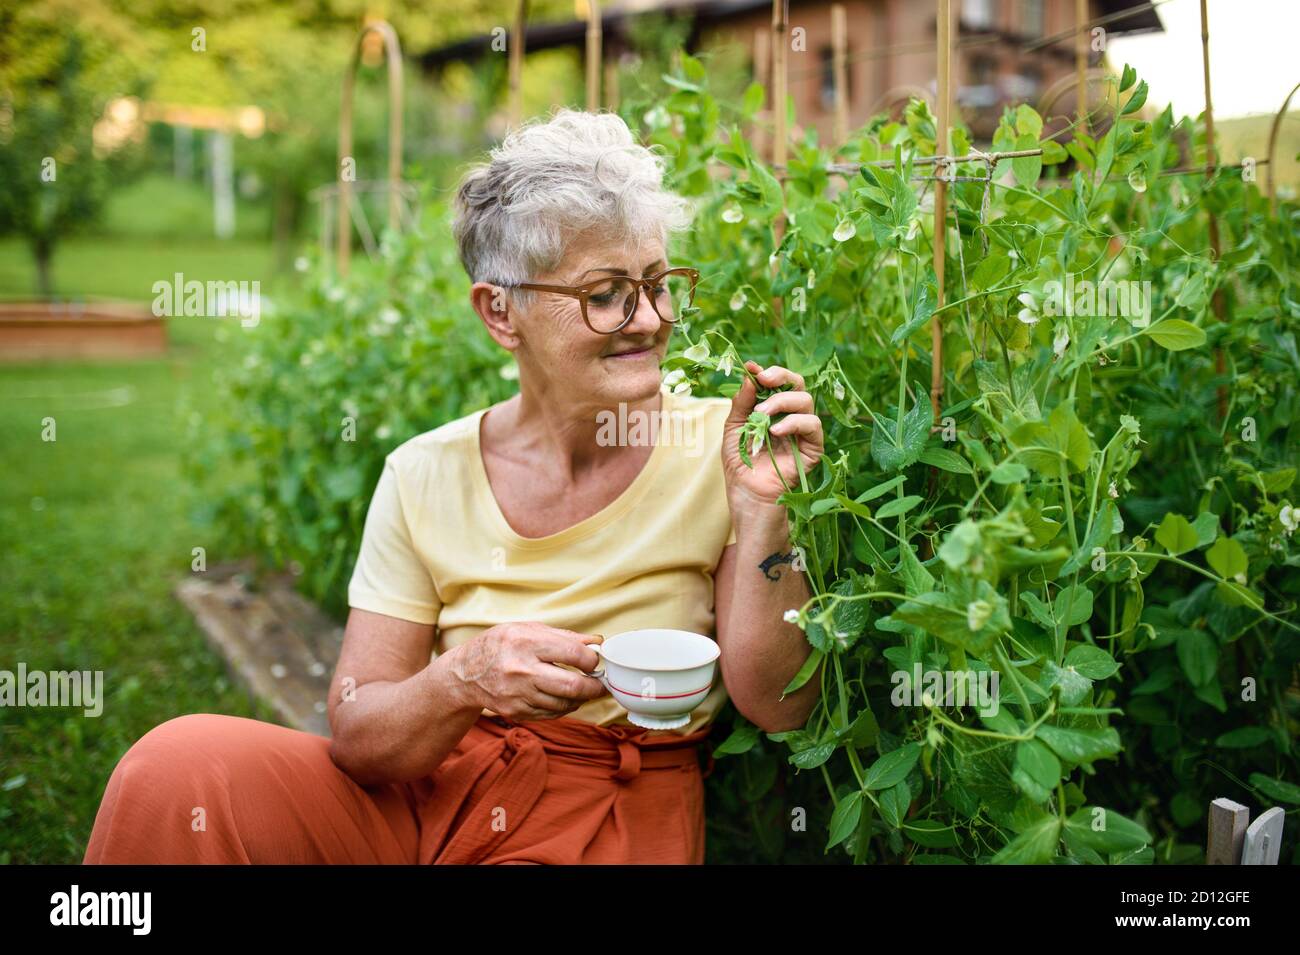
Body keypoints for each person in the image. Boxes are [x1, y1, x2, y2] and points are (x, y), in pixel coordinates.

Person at [83, 108, 824, 865]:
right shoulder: (424, 471)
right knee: (177, 768)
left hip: (611, 810)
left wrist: (767, 516)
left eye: (661, 284)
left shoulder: (726, 452)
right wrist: (461, 680)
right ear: (501, 312)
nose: (650, 319)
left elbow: (780, 705)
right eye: (607, 294)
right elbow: (360, 735)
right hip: (433, 793)